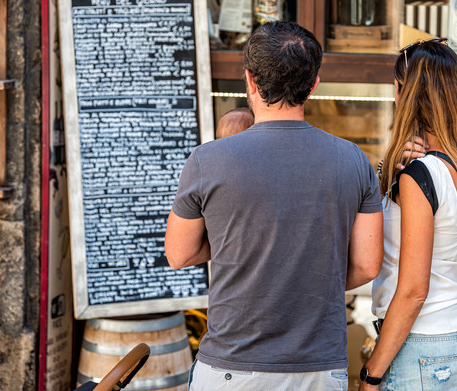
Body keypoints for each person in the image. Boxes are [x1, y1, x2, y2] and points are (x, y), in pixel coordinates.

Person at [165, 21, 384, 391]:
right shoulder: (354, 160)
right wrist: (307, 279)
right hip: (319, 369)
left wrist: (236, 248)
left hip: (230, 369)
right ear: (314, 85)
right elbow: (366, 265)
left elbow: (179, 254)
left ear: (250, 81)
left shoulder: (207, 160)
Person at [358, 38, 457, 390]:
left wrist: (371, 373)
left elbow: (414, 291)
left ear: (408, 95)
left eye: (397, 88)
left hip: (426, 346)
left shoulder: (420, 177)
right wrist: (393, 168)